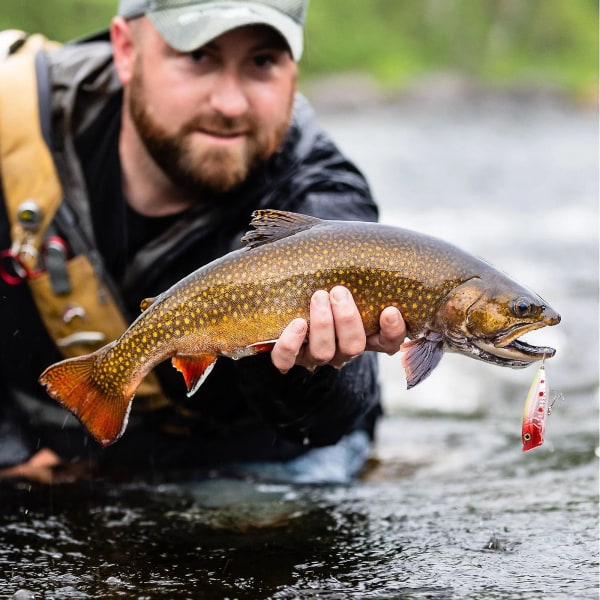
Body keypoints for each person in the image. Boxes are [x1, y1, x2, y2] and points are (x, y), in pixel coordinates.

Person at [0, 0, 406, 483]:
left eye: (262, 62)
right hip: (42, 443)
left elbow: (335, 419)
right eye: (199, 56)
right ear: (126, 49)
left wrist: (306, 369)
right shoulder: (15, 127)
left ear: (294, 71)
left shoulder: (322, 191)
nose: (230, 103)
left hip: (248, 464)